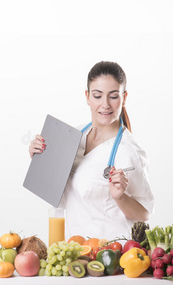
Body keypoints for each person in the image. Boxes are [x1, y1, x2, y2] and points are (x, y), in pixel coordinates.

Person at [29, 61, 154, 241]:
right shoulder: (71, 136)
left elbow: (144, 212)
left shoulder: (129, 152)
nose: (105, 105)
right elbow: (57, 192)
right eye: (97, 96)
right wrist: (39, 157)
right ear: (87, 97)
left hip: (110, 255)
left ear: (124, 98)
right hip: (75, 251)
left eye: (113, 96)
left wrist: (120, 198)